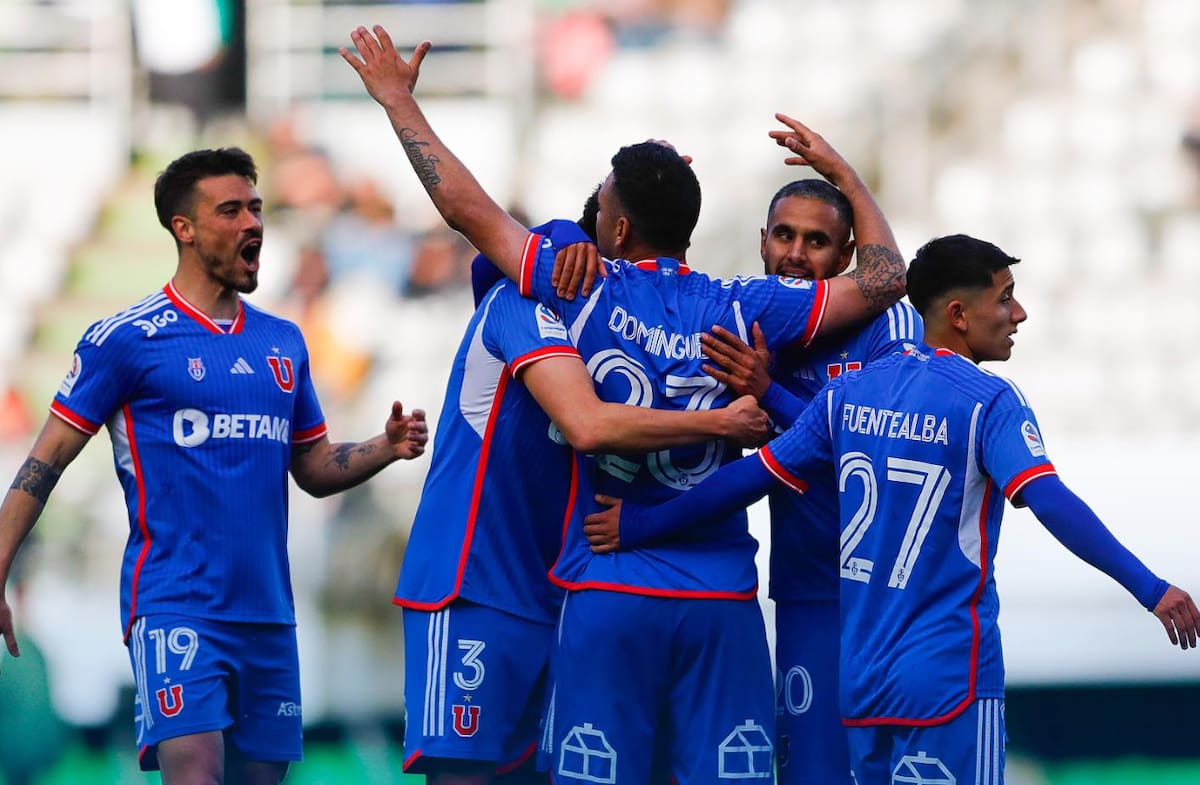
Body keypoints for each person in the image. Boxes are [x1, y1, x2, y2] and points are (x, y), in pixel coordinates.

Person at [341, 25, 907, 783]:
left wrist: (399, 104)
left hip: (602, 584)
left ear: (613, 228)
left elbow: (468, 214)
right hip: (719, 598)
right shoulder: (744, 306)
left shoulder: (570, 286)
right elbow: (883, 279)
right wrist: (841, 171)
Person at [584, 233, 1200, 785]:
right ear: (958, 314)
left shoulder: (849, 393)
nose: (1019, 313)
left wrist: (642, 522)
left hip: (863, 678)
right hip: (949, 674)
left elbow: (749, 477)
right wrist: (1151, 588)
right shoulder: (990, 402)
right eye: (1005, 297)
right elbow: (1051, 502)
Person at [0, 147, 431, 785]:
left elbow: (313, 466)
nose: (252, 223)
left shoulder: (282, 342)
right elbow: (44, 464)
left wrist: (382, 446)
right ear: (185, 228)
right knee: (196, 775)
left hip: (267, 616)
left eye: (255, 208)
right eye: (230, 210)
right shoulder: (125, 340)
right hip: (175, 607)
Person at [394, 208, 771, 784]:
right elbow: (588, 425)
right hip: (475, 584)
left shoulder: (604, 327)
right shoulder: (516, 304)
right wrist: (561, 230)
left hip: (562, 590)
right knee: (463, 774)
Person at [697, 178, 922, 785]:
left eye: (817, 240)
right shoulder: (744, 326)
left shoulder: (888, 321)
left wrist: (768, 392)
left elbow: (874, 450)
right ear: (762, 244)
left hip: (890, 598)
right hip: (805, 595)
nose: (796, 252)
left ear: (846, 256)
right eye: (784, 235)